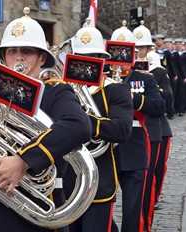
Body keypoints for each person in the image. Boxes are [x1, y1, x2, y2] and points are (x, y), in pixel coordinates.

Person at [0, 7, 92, 232]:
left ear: (42, 58)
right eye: (12, 51)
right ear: (3, 58)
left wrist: (23, 160)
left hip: (36, 211)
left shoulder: (55, 93)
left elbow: (80, 125)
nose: (19, 57)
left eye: (27, 51)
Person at [63, 20, 133, 232]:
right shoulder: (62, 90)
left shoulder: (116, 90)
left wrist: (83, 123)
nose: (86, 64)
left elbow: (122, 129)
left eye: (93, 58)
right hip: (66, 178)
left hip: (99, 179)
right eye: (82, 58)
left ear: (103, 60)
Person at [110, 21, 165, 232]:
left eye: (125, 52)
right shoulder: (102, 78)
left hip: (134, 147)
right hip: (108, 149)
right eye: (116, 52)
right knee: (102, 204)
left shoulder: (145, 79)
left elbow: (159, 106)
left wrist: (132, 97)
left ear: (133, 54)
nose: (120, 58)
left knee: (134, 208)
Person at [145, 49, 173, 229]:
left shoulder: (159, 73)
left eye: (143, 47)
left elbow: (167, 97)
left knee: (157, 167)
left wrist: (152, 86)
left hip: (158, 126)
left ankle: (154, 197)